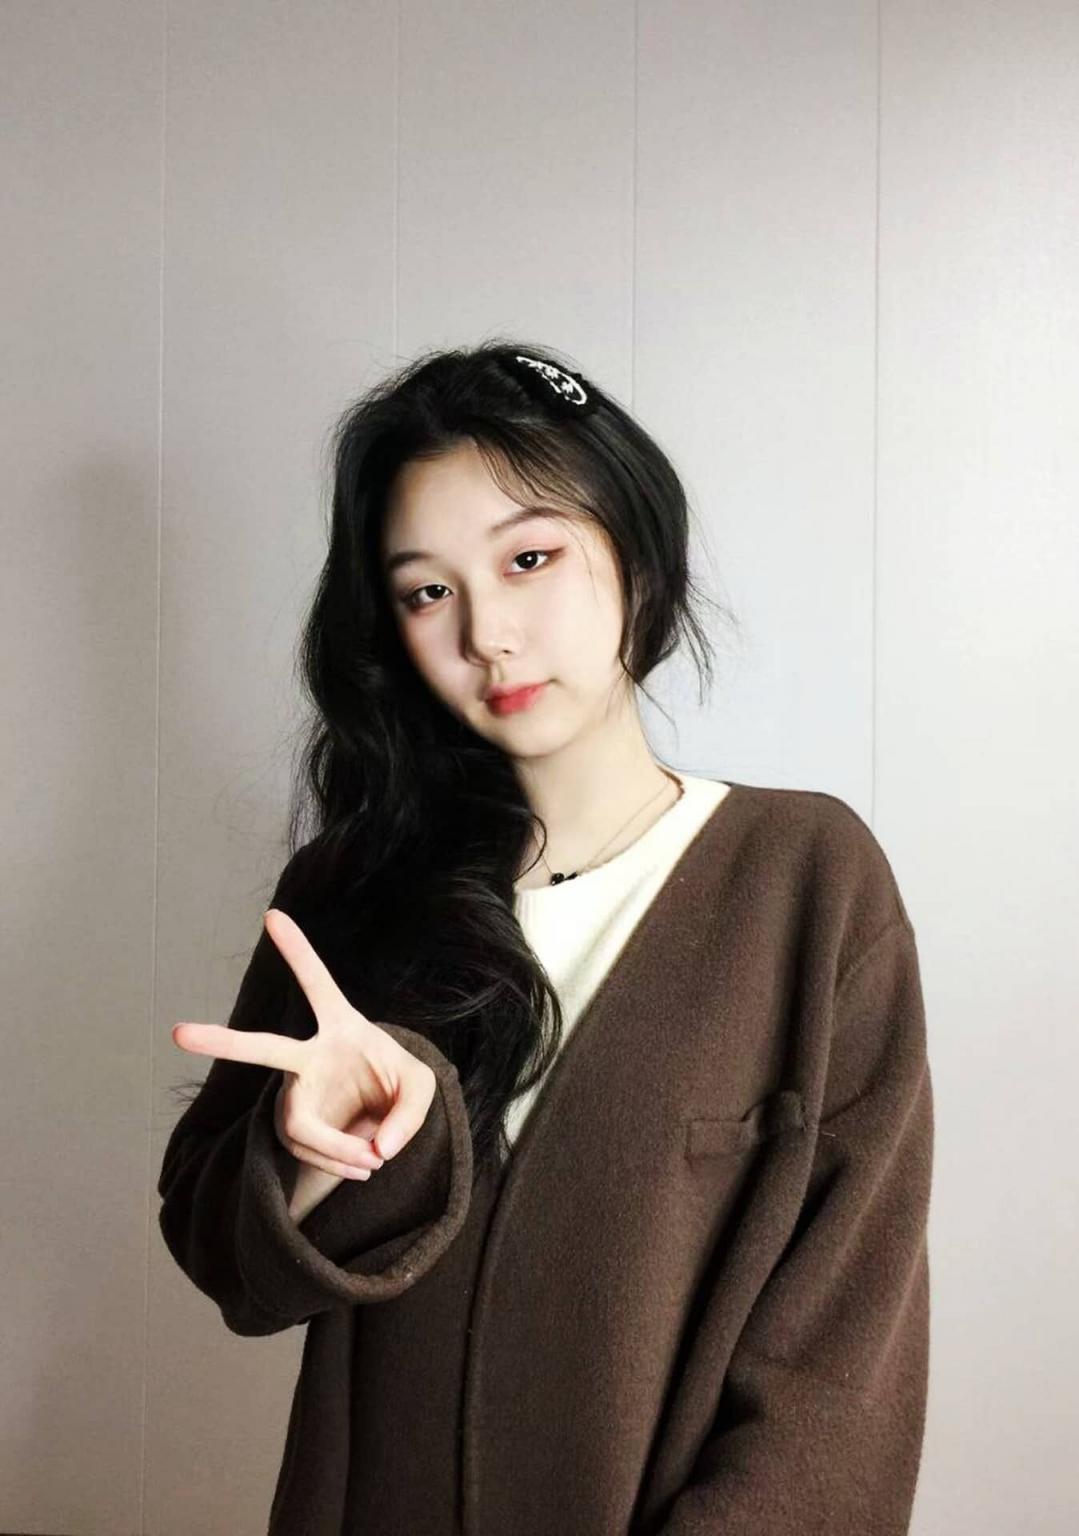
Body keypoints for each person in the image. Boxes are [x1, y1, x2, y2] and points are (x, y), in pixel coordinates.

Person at [158, 341, 934, 1536]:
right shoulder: (351, 892)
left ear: (633, 548)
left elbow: (841, 1361)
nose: (487, 635)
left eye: (529, 559)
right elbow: (229, 1267)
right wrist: (317, 1153)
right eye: (427, 592)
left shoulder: (804, 880)